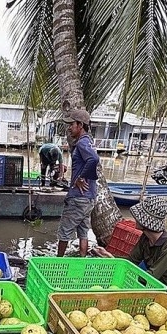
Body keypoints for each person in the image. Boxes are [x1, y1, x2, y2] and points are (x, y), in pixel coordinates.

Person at [127, 195, 167, 299]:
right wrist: (110, 257)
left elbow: (151, 277)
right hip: (154, 284)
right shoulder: (145, 238)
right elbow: (131, 261)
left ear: (145, 222)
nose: (135, 219)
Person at [57, 109, 98, 257]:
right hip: (89, 197)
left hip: (79, 197)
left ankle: (57, 264)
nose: (69, 127)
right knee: (83, 231)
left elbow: (93, 159)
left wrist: (80, 178)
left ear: (80, 125)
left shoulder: (82, 143)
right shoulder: (88, 142)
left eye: (71, 124)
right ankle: (82, 261)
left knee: (64, 232)